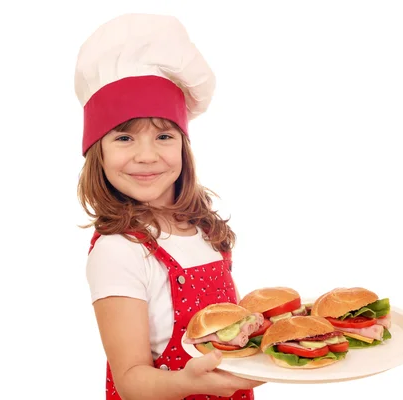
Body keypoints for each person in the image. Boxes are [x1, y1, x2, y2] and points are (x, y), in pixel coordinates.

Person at [74, 13, 265, 400]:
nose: (147, 156)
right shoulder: (119, 250)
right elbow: (130, 381)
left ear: (183, 146)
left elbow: (230, 324)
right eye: (124, 137)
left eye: (164, 135)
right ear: (97, 151)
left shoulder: (206, 229)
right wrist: (187, 383)